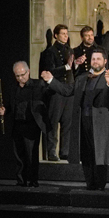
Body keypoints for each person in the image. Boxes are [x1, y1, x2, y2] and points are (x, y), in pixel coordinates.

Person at [44, 48, 109, 190]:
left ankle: (100, 186)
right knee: (86, 154)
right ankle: (90, 185)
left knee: (99, 155)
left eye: (98, 59)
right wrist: (51, 80)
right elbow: (67, 91)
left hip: (100, 124)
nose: (95, 61)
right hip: (83, 122)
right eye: (93, 59)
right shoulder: (82, 78)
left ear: (105, 61)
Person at [0, 61, 50, 187]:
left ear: (28, 72)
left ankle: (33, 181)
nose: (21, 78)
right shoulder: (13, 88)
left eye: (23, 75)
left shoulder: (38, 85)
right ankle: (21, 181)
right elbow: (10, 105)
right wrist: (4, 110)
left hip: (31, 125)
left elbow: (50, 94)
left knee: (31, 155)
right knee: (19, 155)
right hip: (17, 124)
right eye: (17, 76)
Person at [39, 23, 75, 161]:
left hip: (68, 91)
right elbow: (49, 72)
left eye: (67, 33)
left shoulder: (70, 50)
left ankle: (65, 151)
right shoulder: (49, 52)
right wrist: (66, 67)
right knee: (53, 122)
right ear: (55, 35)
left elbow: (72, 71)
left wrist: (76, 64)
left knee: (67, 123)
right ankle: (51, 151)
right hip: (55, 91)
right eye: (63, 34)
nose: (66, 36)